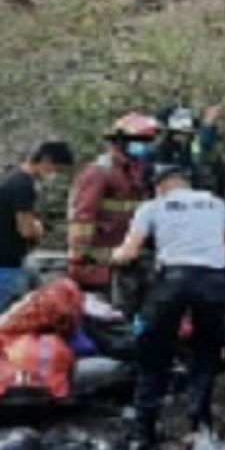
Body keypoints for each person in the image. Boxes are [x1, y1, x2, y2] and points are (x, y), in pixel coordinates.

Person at [112, 161, 225, 450]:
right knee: (206, 353)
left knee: (153, 355)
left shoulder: (153, 207)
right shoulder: (216, 203)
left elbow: (129, 253)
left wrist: (114, 257)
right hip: (213, 283)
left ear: (160, 186)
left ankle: (143, 435)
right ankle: (199, 429)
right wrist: (213, 250)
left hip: (172, 282)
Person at [0, 141, 76, 357]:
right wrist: (38, 228)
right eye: (55, 168)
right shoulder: (23, 186)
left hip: (1, 257)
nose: (54, 173)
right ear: (45, 160)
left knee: (13, 313)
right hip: (6, 261)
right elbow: (26, 228)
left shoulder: (13, 180)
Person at [67, 113, 159, 306]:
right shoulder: (100, 172)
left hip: (127, 261)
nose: (142, 147)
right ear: (121, 142)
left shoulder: (137, 170)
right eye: (138, 141)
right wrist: (78, 257)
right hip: (99, 264)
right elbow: (83, 216)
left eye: (145, 141)